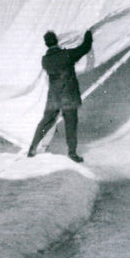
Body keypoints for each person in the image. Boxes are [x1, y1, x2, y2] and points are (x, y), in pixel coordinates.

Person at [27, 29, 93, 163]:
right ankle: (72, 153)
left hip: (53, 97)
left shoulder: (45, 60)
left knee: (45, 122)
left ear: (46, 44)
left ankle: (32, 148)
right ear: (57, 41)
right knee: (71, 124)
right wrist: (88, 33)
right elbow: (85, 47)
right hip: (68, 96)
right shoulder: (67, 55)